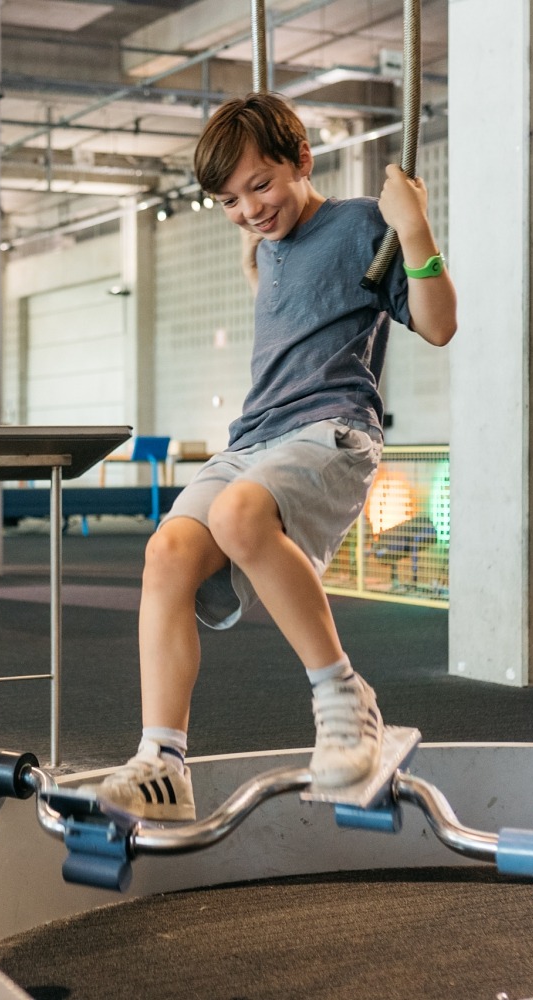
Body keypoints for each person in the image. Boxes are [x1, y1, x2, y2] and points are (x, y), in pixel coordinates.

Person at [95, 92, 458, 821]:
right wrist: (256, 248)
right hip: (255, 435)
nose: (250, 209)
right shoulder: (265, 245)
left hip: (331, 429)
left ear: (303, 161)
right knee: (166, 551)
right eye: (229, 200)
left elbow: (440, 325)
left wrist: (414, 230)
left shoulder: (360, 223)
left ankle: (344, 697)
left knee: (239, 514)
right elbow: (291, 298)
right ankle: (163, 761)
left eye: (261, 186)